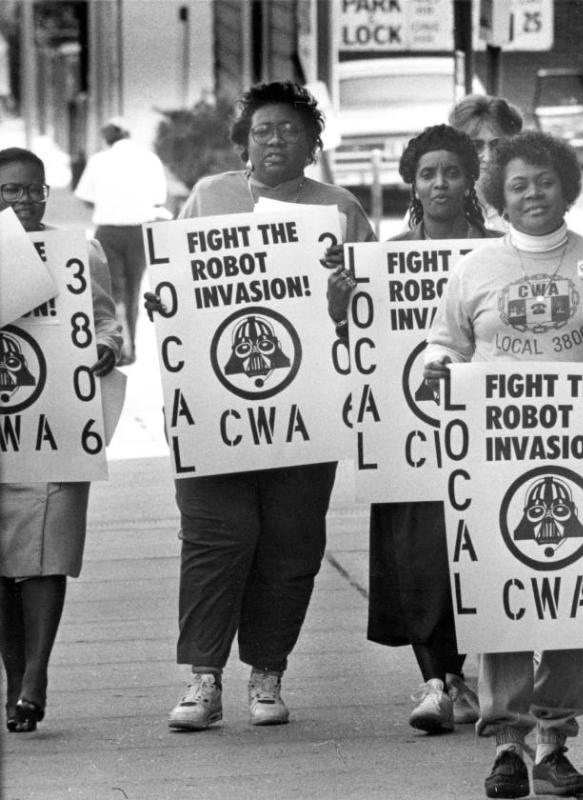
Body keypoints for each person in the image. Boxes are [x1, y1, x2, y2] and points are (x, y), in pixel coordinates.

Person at [423, 131, 583, 798]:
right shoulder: (475, 266)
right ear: (498, 198)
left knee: (576, 595)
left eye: (544, 181)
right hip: (495, 459)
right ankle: (507, 742)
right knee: (506, 595)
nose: (533, 193)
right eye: (518, 185)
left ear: (566, 185)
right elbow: (443, 343)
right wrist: (435, 374)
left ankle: (554, 742)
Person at [146, 81, 375, 732]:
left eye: (291, 130)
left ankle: (268, 672)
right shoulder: (208, 197)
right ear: (243, 142)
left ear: (314, 143)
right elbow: (177, 291)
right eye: (263, 130)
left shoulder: (339, 209)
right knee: (217, 538)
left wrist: (343, 298)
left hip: (308, 406)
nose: (276, 140)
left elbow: (373, 311)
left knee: (291, 541)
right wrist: (160, 302)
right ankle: (204, 679)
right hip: (218, 406)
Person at [329, 124, 498, 734]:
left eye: (451, 172)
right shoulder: (382, 261)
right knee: (421, 554)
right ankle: (436, 680)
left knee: (478, 551)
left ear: (470, 179)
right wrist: (342, 309)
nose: (440, 183)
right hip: (410, 435)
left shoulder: (502, 252)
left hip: (485, 433)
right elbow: (360, 351)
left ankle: (464, 677)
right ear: (412, 183)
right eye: (428, 173)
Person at [0, 147, 122, 732]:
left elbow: (106, 319)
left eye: (34, 190)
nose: (24, 200)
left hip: (57, 430)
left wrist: (105, 346)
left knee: (46, 554)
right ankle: (12, 675)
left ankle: (35, 677)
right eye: (11, 191)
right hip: (6, 427)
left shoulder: (79, 251)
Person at [74, 116, 168, 366]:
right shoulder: (149, 159)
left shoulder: (98, 160)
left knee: (111, 291)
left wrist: (109, 201)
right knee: (134, 289)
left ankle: (116, 348)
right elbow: (160, 199)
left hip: (108, 231)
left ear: (107, 137)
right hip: (139, 231)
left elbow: (84, 196)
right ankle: (131, 348)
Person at [448, 94, 523, 232]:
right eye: (476, 146)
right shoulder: (435, 207)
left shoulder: (529, 204)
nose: (488, 157)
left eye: (497, 145)